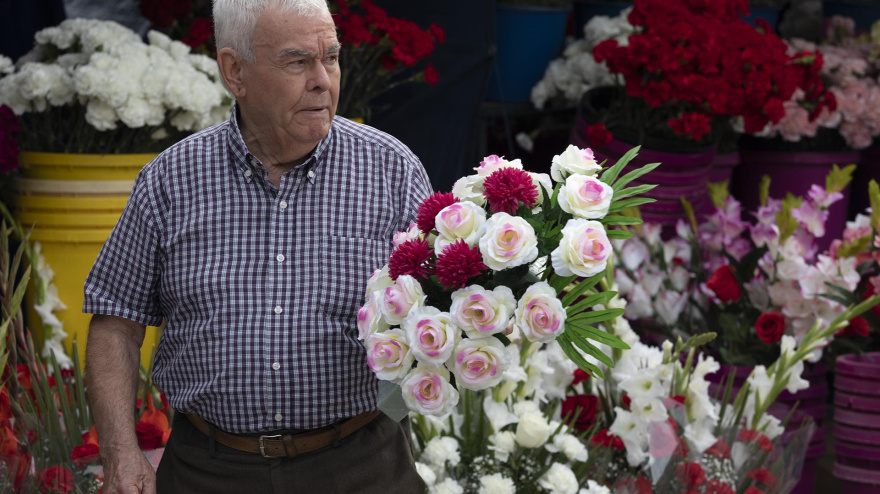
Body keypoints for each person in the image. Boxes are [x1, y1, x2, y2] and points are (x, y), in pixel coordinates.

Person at [82, 0, 432, 492]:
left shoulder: (390, 169)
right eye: (297, 61)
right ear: (235, 71)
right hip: (207, 470)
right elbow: (115, 320)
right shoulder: (172, 179)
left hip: (360, 465)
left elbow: (443, 309)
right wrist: (121, 454)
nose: (322, 80)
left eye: (330, 57)